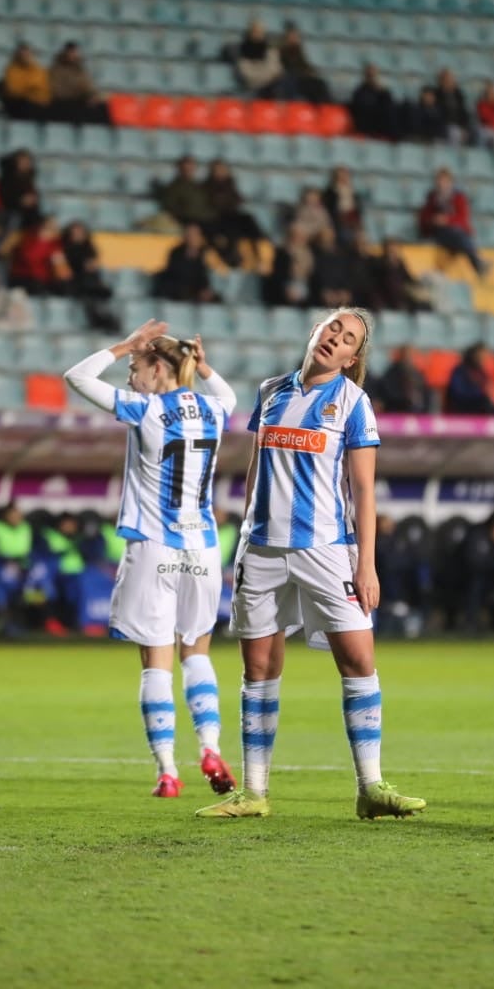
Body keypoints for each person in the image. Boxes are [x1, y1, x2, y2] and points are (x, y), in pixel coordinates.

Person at [196, 307, 425, 820]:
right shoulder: (271, 391)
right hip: (261, 549)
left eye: (349, 338)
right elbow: (258, 465)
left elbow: (364, 489)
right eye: (333, 329)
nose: (337, 339)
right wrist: (246, 536)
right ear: (316, 332)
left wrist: (367, 564)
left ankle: (371, 786)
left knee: (359, 661)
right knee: (258, 668)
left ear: (352, 357)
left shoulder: (353, 402)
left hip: (326, 550)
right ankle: (254, 792)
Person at [63, 320, 241, 797]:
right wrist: (203, 369)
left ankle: (167, 770)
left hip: (153, 544)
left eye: (137, 367)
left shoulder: (143, 409)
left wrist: (121, 346)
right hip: (202, 549)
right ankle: (210, 747)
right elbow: (230, 397)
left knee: (155, 662)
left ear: (158, 367)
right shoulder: (214, 409)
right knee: (196, 654)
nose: (130, 374)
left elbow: (76, 378)